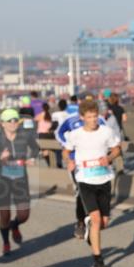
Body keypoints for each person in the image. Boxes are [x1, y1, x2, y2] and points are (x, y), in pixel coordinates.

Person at [62, 99, 122, 267]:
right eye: (89, 117)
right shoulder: (76, 134)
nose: (94, 120)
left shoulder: (106, 132)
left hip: (103, 178)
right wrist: (69, 160)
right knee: (96, 220)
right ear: (82, 117)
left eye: (95, 116)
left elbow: (117, 148)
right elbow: (66, 150)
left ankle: (90, 228)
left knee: (104, 223)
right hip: (85, 179)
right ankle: (98, 260)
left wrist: (109, 158)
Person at [0, 109, 41, 255]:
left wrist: (32, 158)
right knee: (4, 215)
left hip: (20, 179)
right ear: (3, 124)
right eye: (10, 120)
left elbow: (36, 149)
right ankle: (6, 242)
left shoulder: (25, 136)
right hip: (1, 180)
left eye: (15, 120)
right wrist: (0, 157)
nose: (13, 123)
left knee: (24, 215)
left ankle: (15, 225)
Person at [56, 100, 107, 239]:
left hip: (96, 163)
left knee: (97, 191)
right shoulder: (70, 121)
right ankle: (80, 222)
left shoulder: (101, 121)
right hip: (77, 163)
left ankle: (93, 218)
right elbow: (59, 133)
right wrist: (67, 150)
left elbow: (107, 138)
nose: (92, 119)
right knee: (81, 190)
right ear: (81, 115)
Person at [50, 99, 70, 168]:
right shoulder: (68, 114)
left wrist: (49, 130)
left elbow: (54, 125)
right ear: (66, 106)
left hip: (58, 134)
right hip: (67, 134)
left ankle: (59, 164)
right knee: (67, 149)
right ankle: (68, 163)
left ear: (58, 106)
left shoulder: (55, 114)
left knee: (58, 150)